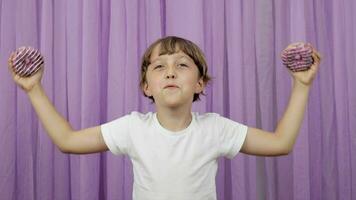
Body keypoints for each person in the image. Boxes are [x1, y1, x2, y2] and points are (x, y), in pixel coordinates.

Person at [8, 36, 321, 200]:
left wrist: (301, 85)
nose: (170, 70)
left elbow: (281, 143)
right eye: (159, 66)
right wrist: (34, 89)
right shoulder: (132, 127)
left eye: (182, 65)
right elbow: (67, 141)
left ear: (200, 83)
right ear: (147, 86)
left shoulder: (215, 128)